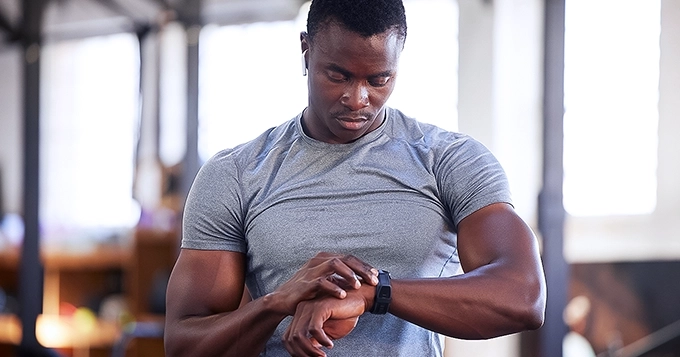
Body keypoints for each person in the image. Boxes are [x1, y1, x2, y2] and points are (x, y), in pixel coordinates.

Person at [164, 0, 547, 356]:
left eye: (379, 80)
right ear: (306, 50)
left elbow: (524, 297)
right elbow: (183, 343)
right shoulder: (236, 173)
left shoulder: (448, 159)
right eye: (338, 75)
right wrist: (276, 302)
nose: (357, 99)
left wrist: (375, 292)